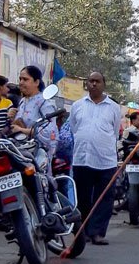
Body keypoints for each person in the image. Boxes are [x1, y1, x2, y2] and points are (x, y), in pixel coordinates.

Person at [67, 70, 124, 245]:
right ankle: (83, 232)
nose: (93, 84)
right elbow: (74, 128)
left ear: (103, 84)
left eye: (97, 81)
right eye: (91, 81)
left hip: (105, 160)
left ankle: (98, 233)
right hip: (82, 159)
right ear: (87, 84)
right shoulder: (77, 105)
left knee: (105, 197)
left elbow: (114, 132)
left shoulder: (113, 107)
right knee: (83, 198)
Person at [11, 65, 59, 173]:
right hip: (21, 153)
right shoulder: (23, 101)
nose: (21, 82)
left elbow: (50, 132)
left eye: (25, 79)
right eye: (20, 79)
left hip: (38, 155)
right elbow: (18, 125)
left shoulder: (44, 103)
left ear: (36, 82)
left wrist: (22, 130)